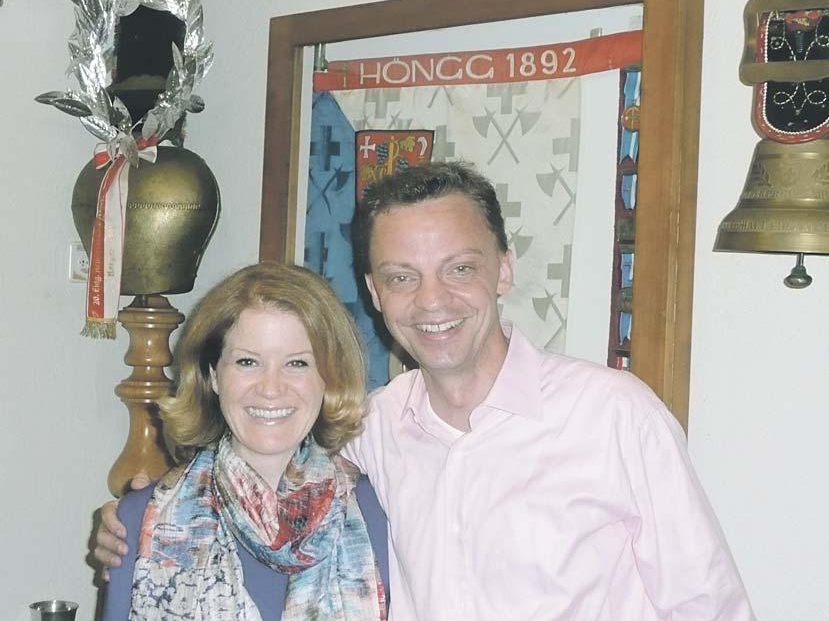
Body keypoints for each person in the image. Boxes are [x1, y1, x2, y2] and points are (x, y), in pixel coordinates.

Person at [97, 163, 756, 620]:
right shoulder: (372, 430)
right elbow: (264, 464)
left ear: (503, 269)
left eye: (459, 269)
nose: (432, 302)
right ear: (375, 292)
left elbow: (711, 608)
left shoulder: (612, 416)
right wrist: (136, 516)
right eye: (402, 277)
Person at [102, 262, 388, 620]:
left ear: (328, 378)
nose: (271, 388)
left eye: (297, 364)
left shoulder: (377, 512)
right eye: (248, 362)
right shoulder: (139, 519)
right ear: (213, 375)